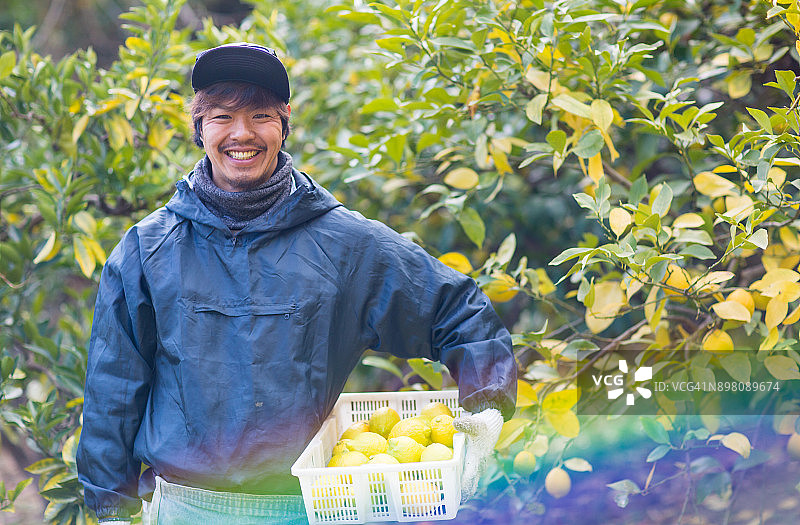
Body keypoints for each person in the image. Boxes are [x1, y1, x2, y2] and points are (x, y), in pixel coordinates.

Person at [76, 42, 517, 524]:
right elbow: (114, 387)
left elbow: (458, 311)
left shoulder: (345, 243)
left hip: (313, 506)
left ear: (284, 123)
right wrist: (111, 509)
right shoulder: (148, 249)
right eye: (222, 116)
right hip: (187, 508)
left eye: (260, 115)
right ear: (199, 127)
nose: (241, 134)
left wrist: (485, 411)